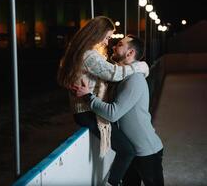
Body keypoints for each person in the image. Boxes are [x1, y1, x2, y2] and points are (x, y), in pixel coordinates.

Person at [57, 16, 149, 186]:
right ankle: (112, 183)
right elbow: (114, 73)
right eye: (107, 37)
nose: (107, 42)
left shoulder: (80, 51)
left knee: (126, 149)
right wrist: (141, 66)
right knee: (127, 150)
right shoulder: (89, 55)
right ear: (97, 34)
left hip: (83, 111)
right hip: (88, 111)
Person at [74, 35, 164, 186]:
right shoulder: (122, 77)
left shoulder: (134, 79)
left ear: (130, 53)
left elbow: (112, 113)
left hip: (147, 151)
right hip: (133, 151)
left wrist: (89, 97)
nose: (114, 46)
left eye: (120, 44)